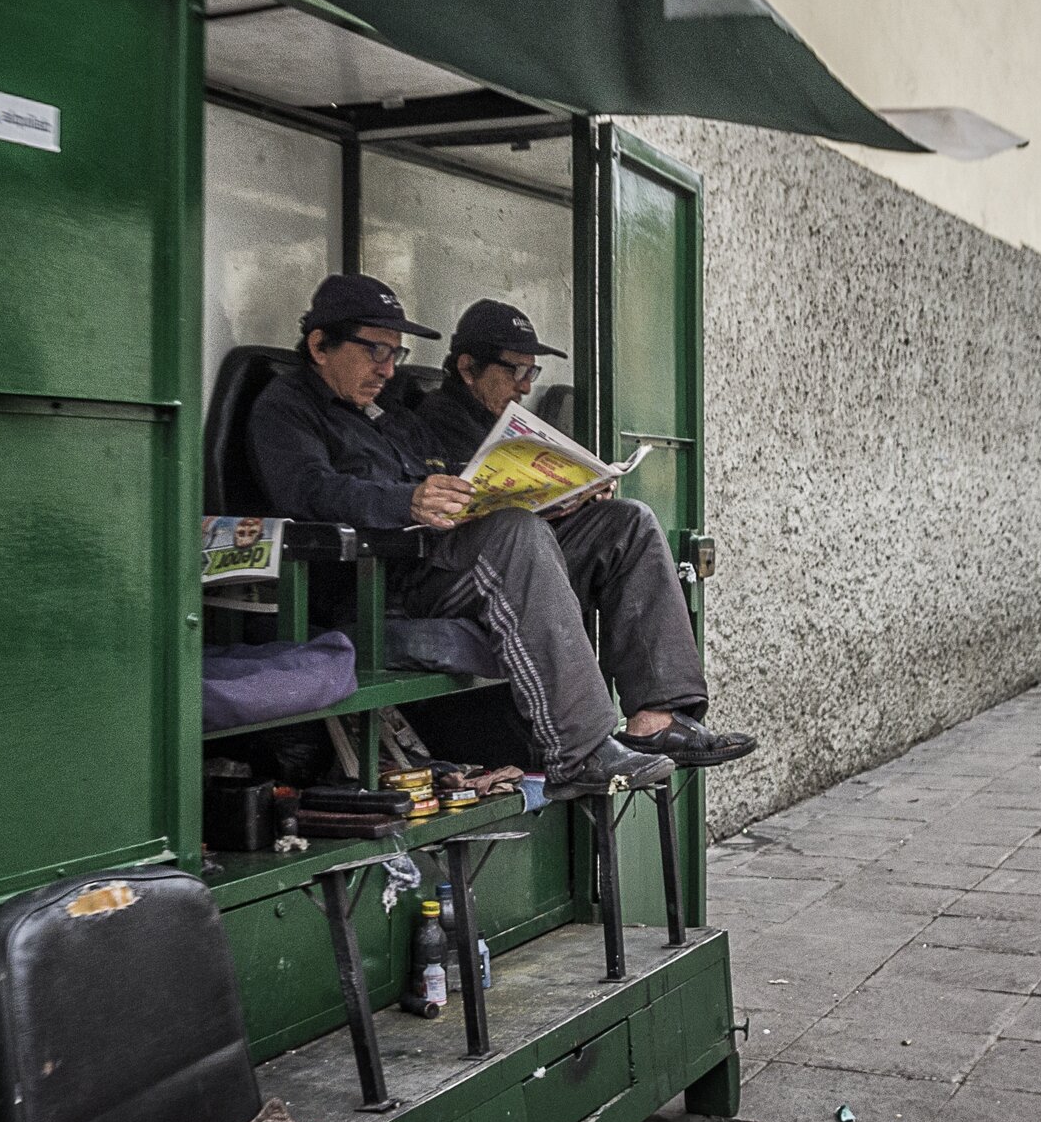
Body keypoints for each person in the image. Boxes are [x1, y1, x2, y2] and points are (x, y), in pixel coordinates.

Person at [248, 274, 756, 796]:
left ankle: (658, 717)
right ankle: (581, 751)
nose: (387, 368)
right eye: (375, 350)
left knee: (626, 523)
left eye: (395, 354)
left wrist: (551, 498)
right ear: (319, 345)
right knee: (515, 531)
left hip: (452, 560)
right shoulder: (284, 409)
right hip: (388, 582)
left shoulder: (392, 416)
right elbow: (307, 491)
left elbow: (455, 478)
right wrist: (409, 499)